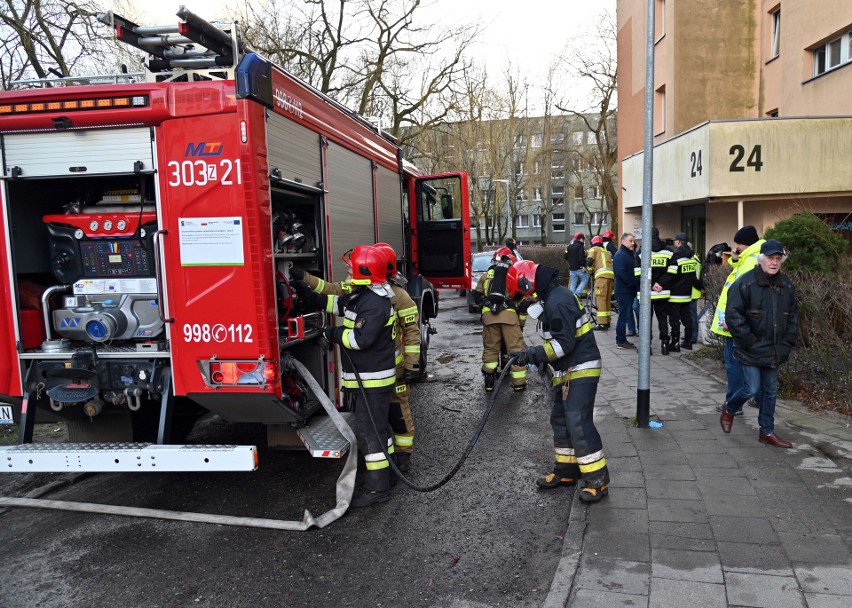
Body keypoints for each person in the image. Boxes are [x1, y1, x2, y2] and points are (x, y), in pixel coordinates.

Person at [294, 244, 421, 473]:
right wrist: (305, 278)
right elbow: (332, 290)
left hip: (393, 368)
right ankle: (385, 461)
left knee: (398, 414)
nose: (350, 277)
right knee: (375, 422)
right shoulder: (362, 290)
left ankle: (403, 457)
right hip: (369, 369)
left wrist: (412, 363)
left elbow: (411, 331)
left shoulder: (399, 297)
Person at [507, 260, 610, 503]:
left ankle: (597, 480)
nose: (526, 299)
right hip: (566, 371)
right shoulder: (551, 299)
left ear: (529, 283)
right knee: (561, 420)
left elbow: (563, 345)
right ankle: (566, 471)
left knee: (577, 420)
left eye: (525, 294)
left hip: (581, 367)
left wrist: (532, 354)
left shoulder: (559, 301)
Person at [314, 245, 398, 507]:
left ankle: (377, 489)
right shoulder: (364, 296)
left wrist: (333, 334)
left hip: (372, 381)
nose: (348, 270)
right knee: (379, 430)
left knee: (369, 432)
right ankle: (388, 474)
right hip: (369, 379)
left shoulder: (374, 304)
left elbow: (360, 340)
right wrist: (308, 294)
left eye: (352, 267)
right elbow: (337, 303)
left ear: (364, 272)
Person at [719, 240, 798, 448]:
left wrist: (787, 343)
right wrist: (749, 341)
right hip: (750, 348)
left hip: (774, 349)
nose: (774, 263)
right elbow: (733, 315)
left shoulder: (787, 285)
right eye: (770, 258)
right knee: (751, 388)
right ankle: (730, 408)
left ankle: (767, 432)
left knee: (770, 391)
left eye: (778, 259)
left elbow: (793, 317)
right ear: (761, 260)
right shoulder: (745, 283)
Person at [711, 225, 765, 416]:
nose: (735, 246)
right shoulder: (752, 258)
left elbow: (744, 294)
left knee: (734, 363)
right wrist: (735, 260)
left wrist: (733, 320)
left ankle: (733, 402)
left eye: (738, 243)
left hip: (736, 323)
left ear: (745, 243)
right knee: (752, 360)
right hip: (741, 321)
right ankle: (758, 397)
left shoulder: (750, 262)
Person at [475, 247, 527, 392]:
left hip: (489, 316)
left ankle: (489, 382)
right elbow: (522, 303)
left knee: (491, 348)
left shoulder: (487, 275)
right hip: (510, 317)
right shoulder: (513, 275)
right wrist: (521, 325)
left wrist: (486, 308)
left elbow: (476, 296)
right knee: (516, 349)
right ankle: (519, 384)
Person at [662, 232, 699, 353]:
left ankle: (675, 343)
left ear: (678, 242)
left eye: (674, 241)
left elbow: (670, 275)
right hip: (687, 295)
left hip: (674, 295)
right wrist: (702, 286)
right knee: (687, 319)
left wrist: (660, 284)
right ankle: (688, 342)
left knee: (674, 321)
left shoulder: (676, 257)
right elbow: (694, 278)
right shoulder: (692, 257)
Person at [645, 227, 673, 354]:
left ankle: (647, 346)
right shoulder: (668, 251)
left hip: (647, 293)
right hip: (662, 292)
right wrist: (660, 283)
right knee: (663, 319)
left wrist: (651, 284)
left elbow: (638, 272)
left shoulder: (643, 250)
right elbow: (672, 270)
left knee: (646, 320)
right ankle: (665, 345)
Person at [613, 232, 639, 349]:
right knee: (623, 316)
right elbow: (620, 273)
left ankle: (622, 340)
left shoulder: (628, 254)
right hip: (624, 291)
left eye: (633, 241)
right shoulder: (620, 255)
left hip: (628, 290)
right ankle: (620, 341)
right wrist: (631, 284)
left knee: (625, 315)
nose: (633, 243)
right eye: (631, 241)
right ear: (623, 242)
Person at [587, 235, 614, 331]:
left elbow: (589, 261)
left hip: (601, 278)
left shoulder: (593, 249)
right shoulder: (606, 251)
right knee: (607, 300)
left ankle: (602, 324)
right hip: (610, 277)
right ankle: (607, 321)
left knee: (600, 300)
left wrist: (590, 271)